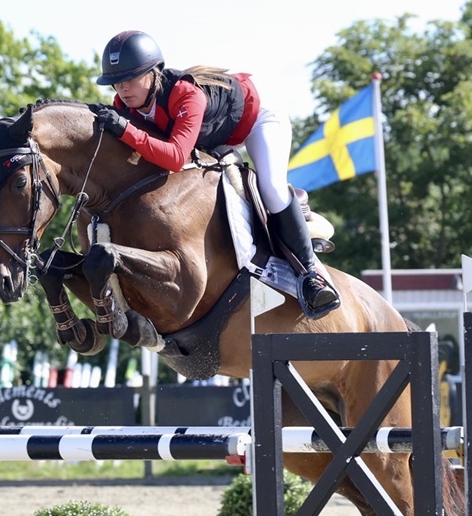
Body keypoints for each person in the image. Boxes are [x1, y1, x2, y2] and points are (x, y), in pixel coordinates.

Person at [92, 30, 340, 319]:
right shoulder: (124, 105)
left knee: (270, 187)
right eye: (116, 82)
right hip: (214, 136)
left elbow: (175, 157)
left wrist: (125, 130)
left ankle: (311, 275)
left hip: (257, 120)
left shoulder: (185, 94)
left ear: (153, 73)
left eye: (130, 79)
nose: (122, 89)